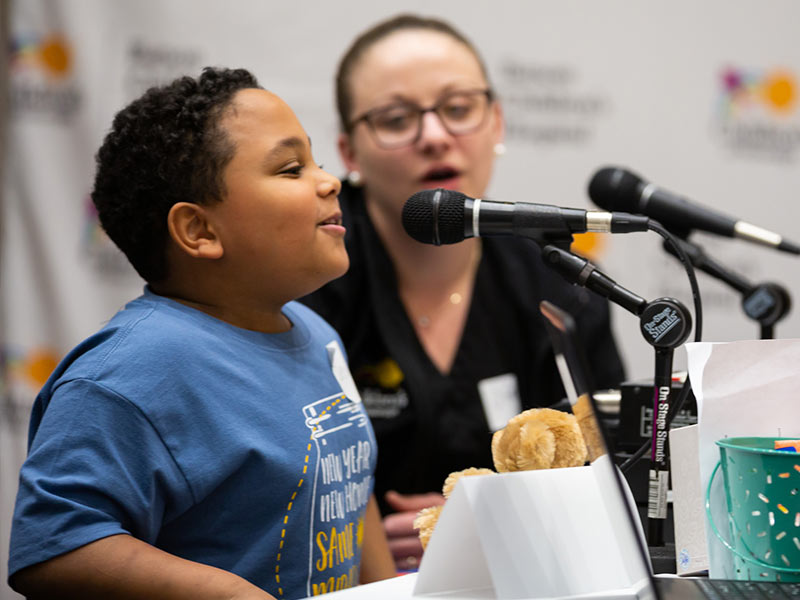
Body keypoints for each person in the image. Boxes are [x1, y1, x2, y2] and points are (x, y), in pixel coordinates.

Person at [8, 67, 396, 599]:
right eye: (290, 169)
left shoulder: (317, 331)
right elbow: (54, 548)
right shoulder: (131, 370)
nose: (328, 181)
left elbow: (351, 490)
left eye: (318, 162)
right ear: (199, 231)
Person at [300, 14, 626, 570]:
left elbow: (614, 473)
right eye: (396, 118)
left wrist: (488, 521)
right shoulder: (306, 281)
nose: (433, 136)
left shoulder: (559, 284)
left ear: (496, 122)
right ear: (349, 153)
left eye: (457, 109)